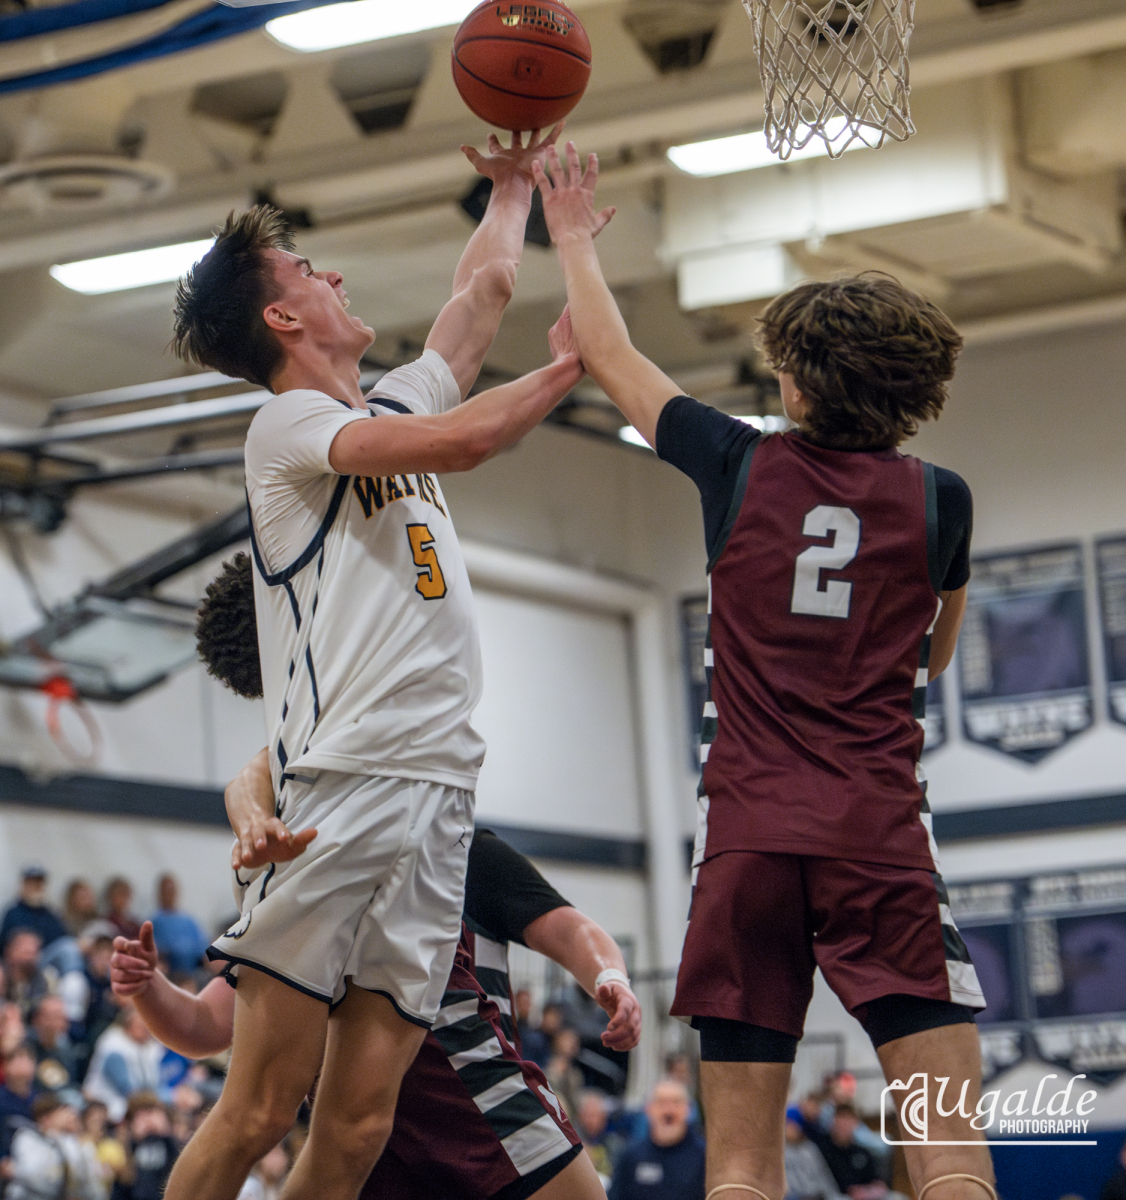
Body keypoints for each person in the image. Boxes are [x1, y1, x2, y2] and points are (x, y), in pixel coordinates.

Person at [533, 142, 995, 1200]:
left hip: (746, 840)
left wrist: (570, 234)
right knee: (948, 1150)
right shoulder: (943, 500)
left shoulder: (736, 464)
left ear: (794, 378)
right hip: (879, 839)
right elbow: (933, 654)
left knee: (740, 1165)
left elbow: (608, 350)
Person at [165, 116, 595, 1200]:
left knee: (358, 1127)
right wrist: (571, 368)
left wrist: (510, 190)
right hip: (343, 786)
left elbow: (481, 296)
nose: (335, 275)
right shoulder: (287, 426)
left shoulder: (387, 402)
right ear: (281, 316)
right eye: (310, 270)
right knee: (258, 1108)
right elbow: (464, 440)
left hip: (439, 793)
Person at [111, 819, 640, 1200]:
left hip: (471, 1099)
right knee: (252, 1116)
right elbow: (204, 1024)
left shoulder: (459, 849)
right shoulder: (304, 878)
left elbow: (570, 929)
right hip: (363, 1141)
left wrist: (609, 977)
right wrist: (147, 987)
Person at [608, 1078, 705, 1200]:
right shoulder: (631, 1156)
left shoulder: (705, 1157)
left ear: (689, 1109)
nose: (669, 1110)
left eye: (676, 1102)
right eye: (661, 1102)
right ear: (648, 1108)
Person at [148, 876, 208, 976]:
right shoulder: (154, 922)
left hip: (193, 973)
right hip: (168, 973)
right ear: (160, 893)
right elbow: (157, 950)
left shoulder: (189, 920)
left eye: (172, 891)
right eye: (166, 891)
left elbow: (202, 947)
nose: (169, 895)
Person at [783, 1108, 844, 1200]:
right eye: (788, 1124)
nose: (791, 1128)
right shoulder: (779, 1152)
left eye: (794, 1124)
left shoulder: (810, 1148)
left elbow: (824, 1176)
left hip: (817, 1195)